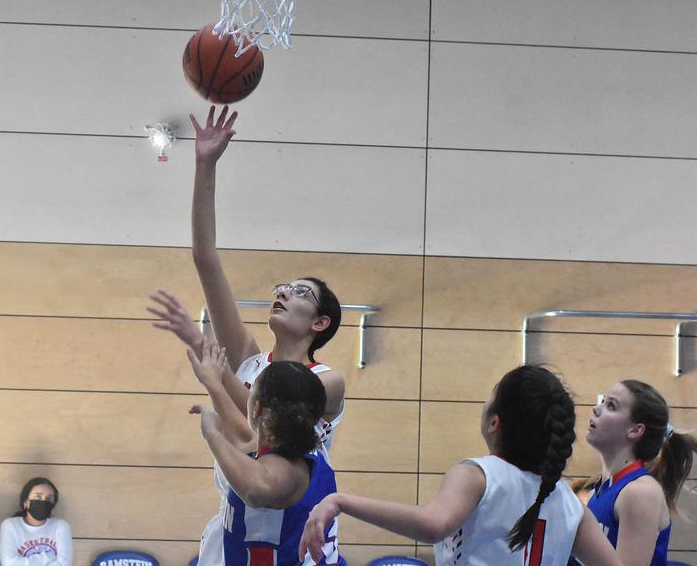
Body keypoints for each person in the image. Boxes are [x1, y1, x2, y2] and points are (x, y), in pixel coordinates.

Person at [148, 105, 346, 564]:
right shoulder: (250, 361)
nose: (282, 293)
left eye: (299, 293)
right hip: (238, 526)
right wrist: (204, 165)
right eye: (282, 288)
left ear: (320, 323)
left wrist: (217, 379)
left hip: (295, 529)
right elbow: (205, 258)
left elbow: (266, 411)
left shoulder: (328, 379)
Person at [300, 366, 623, 566]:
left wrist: (341, 501)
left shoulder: (477, 474)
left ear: (495, 421)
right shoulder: (568, 500)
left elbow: (432, 525)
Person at [187, 339, 345, 565]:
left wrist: (212, 434)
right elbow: (243, 436)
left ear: (257, 407)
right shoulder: (298, 448)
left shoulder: (283, 472)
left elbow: (256, 490)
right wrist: (212, 383)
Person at [576, 379, 697, 565]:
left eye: (611, 405)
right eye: (602, 401)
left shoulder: (639, 493)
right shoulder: (596, 491)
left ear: (635, 430)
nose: (596, 409)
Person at [0, 477, 73, 566]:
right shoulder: (10, 525)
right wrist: (48, 557)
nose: (43, 501)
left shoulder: (60, 526)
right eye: (38, 496)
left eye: (49, 499)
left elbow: (65, 564)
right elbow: (9, 564)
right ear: (25, 502)